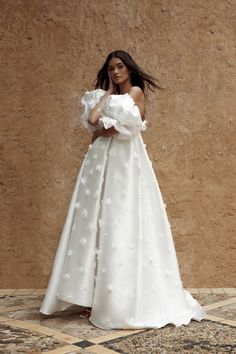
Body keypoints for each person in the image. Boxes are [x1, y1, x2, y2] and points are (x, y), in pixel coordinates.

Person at [40, 50, 205, 329]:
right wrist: (104, 101)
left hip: (124, 164)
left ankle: (117, 299)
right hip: (98, 165)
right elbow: (93, 121)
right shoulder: (106, 96)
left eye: (120, 67)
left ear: (129, 69)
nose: (115, 72)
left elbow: (123, 128)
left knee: (120, 220)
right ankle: (93, 296)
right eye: (111, 68)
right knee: (95, 223)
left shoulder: (137, 93)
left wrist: (102, 129)